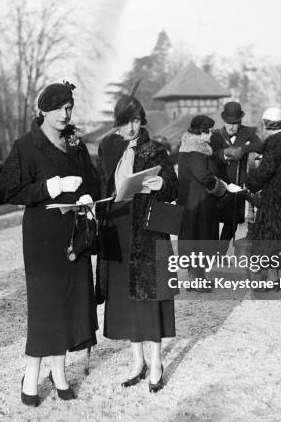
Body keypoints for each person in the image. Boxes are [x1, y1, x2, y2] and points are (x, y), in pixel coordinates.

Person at [0, 81, 100, 406]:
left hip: (74, 234)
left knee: (69, 303)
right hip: (42, 236)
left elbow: (93, 180)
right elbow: (10, 190)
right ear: (42, 110)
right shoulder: (26, 145)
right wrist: (50, 187)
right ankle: (31, 375)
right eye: (58, 109)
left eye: (68, 108)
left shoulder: (75, 142)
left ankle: (58, 373)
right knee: (45, 305)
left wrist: (87, 197)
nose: (64, 114)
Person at [96, 90, 178, 393]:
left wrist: (162, 183)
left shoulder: (154, 149)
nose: (131, 128)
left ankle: (156, 363)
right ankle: (137, 361)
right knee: (127, 299)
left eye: (135, 121)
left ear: (141, 120)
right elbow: (101, 184)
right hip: (118, 230)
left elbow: (173, 186)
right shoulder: (107, 148)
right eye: (125, 122)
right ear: (117, 123)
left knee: (150, 297)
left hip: (146, 231)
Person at [245, 107, 281, 290]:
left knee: (269, 235)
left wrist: (249, 180)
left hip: (273, 195)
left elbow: (266, 170)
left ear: (266, 124)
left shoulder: (273, 142)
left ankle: (271, 280)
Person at [177, 115, 226, 287]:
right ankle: (197, 281)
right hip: (198, 203)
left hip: (192, 201)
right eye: (209, 131)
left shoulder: (189, 148)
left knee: (194, 240)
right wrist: (221, 187)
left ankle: (196, 279)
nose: (211, 135)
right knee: (199, 240)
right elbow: (203, 175)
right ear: (201, 132)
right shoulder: (196, 150)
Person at [211, 101, 263, 254]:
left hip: (238, 184)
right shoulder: (216, 135)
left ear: (240, 121)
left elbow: (260, 146)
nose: (232, 126)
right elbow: (211, 154)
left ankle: (220, 253)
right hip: (220, 184)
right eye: (229, 123)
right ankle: (211, 254)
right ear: (224, 121)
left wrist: (243, 148)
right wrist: (225, 153)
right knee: (214, 219)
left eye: (236, 123)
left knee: (232, 221)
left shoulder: (248, 132)